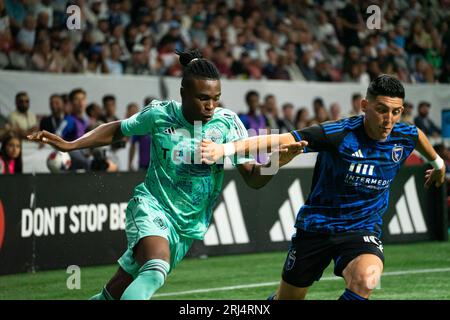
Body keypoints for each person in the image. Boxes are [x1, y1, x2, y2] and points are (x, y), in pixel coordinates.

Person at [27, 49, 305, 300]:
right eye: (203, 98)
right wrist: (71, 144)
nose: (210, 106)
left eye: (216, 99)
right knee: (154, 271)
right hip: (151, 207)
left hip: (186, 228)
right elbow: (117, 129)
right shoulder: (160, 114)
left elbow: (253, 178)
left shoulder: (229, 123)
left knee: (113, 294)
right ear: (183, 92)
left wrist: (278, 160)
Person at [201, 74, 446, 300]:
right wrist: (225, 149)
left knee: (368, 276)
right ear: (364, 106)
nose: (389, 120)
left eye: (396, 112)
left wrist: (438, 163)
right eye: (382, 110)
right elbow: (281, 139)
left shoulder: (403, 135)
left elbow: (418, 136)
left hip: (361, 229)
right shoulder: (338, 133)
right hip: (317, 226)